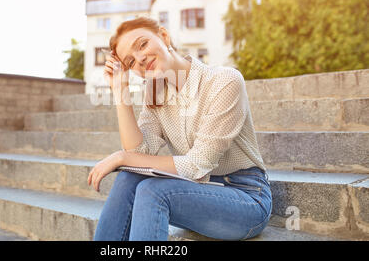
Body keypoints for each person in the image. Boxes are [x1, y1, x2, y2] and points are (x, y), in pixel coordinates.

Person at [87, 17, 272, 241]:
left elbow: (197, 164)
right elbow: (139, 154)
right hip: (194, 190)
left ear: (164, 36)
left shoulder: (223, 81)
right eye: (131, 62)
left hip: (246, 197)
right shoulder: (155, 95)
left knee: (151, 191)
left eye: (143, 44)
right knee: (129, 178)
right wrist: (120, 90)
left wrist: (120, 157)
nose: (141, 59)